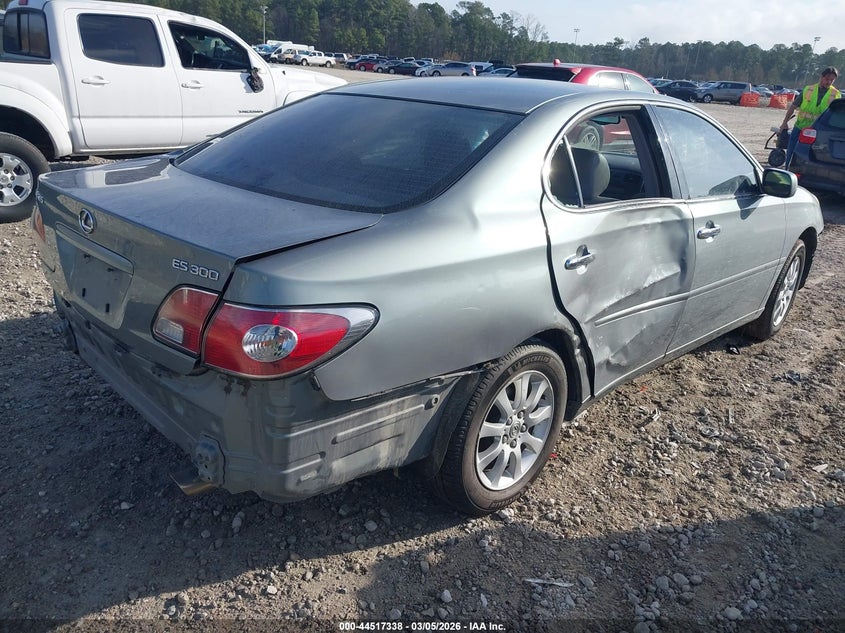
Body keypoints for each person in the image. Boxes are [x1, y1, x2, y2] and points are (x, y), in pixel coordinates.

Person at [780, 67, 840, 168]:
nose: (829, 82)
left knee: (810, 157)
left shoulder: (835, 95)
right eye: (827, 79)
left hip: (817, 131)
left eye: (832, 80)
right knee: (791, 152)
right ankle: (788, 170)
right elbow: (793, 106)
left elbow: (836, 116)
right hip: (800, 128)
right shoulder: (808, 89)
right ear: (821, 77)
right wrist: (784, 123)